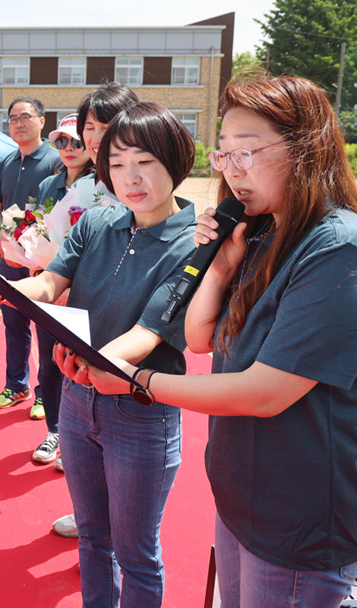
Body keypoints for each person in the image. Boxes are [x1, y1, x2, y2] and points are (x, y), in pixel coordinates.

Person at [79, 76, 357, 608]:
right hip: (242, 496)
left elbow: (263, 393)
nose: (231, 170)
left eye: (246, 153)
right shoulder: (263, 233)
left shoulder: (336, 247)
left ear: (307, 147)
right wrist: (221, 263)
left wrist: (137, 381)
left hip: (297, 513)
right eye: (223, 154)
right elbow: (201, 338)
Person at [0, 102, 198, 607]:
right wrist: (8, 292)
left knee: (137, 552)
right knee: (94, 537)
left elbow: (152, 329)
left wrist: (98, 364)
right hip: (77, 403)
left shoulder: (195, 242)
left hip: (140, 413)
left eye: (144, 162)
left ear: (176, 161)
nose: (130, 178)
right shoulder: (98, 221)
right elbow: (52, 279)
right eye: (116, 164)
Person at [50, 82, 139, 539]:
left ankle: (115, 530)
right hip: (76, 328)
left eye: (108, 126)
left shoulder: (143, 192)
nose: (97, 136)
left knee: (131, 502)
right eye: (90, 127)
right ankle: (89, 518)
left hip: (131, 357)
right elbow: (55, 266)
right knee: (81, 435)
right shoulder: (84, 190)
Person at [0, 97, 60, 415]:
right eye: (13, 118)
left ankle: (47, 392)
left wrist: (36, 255)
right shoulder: (5, 162)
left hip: (42, 263)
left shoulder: (57, 160)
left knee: (46, 330)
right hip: (9, 257)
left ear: (42, 121)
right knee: (13, 324)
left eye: (25, 117)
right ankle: (16, 385)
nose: (18, 123)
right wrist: (2, 242)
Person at [29, 113, 94, 466]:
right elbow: (34, 235)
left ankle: (79, 438)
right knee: (50, 364)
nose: (68, 148)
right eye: (61, 142)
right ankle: (54, 430)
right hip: (50, 289)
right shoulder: (46, 186)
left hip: (88, 292)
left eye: (75, 141)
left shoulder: (104, 187)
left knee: (83, 364)